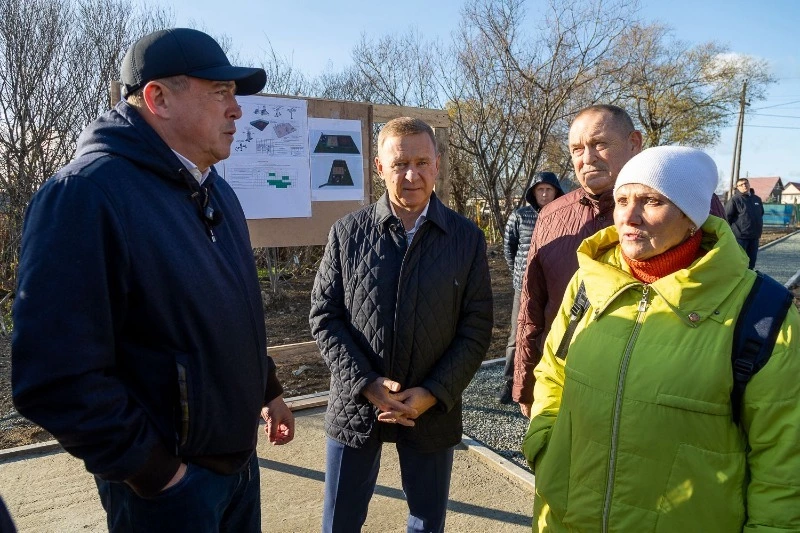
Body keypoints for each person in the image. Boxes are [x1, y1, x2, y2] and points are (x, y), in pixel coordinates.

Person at [12, 28, 294, 532]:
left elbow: (230, 313)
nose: (238, 111)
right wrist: (159, 475)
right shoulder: (85, 195)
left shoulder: (215, 193)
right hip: (167, 494)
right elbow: (54, 377)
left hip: (237, 469)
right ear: (157, 98)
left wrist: (267, 391)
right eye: (220, 93)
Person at [522, 146, 800, 531]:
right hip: (568, 519)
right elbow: (553, 371)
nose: (629, 216)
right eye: (622, 200)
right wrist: (544, 443)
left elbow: (783, 462)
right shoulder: (589, 282)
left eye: (651, 200)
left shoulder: (762, 311)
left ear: (691, 216)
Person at [310, 117, 493, 533]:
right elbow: (324, 316)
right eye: (399, 164)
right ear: (379, 168)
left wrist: (434, 392)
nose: (411, 175)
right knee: (339, 521)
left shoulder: (465, 239)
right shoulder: (348, 233)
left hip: (430, 409)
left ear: (438, 164)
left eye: (421, 162)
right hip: (355, 405)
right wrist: (366, 384)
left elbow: (477, 327)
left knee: (426, 523)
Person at [513, 104, 725, 417]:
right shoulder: (551, 216)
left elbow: (724, 293)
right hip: (568, 383)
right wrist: (526, 384)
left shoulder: (687, 202)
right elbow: (532, 307)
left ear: (634, 143)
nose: (587, 158)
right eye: (577, 149)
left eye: (600, 144)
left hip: (660, 392)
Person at [497, 172, 564, 404]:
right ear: (533, 193)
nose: (544, 194)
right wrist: (520, 274)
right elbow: (510, 249)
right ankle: (510, 381)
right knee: (517, 335)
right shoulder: (520, 216)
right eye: (540, 190)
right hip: (523, 287)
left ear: (556, 191)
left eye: (549, 189)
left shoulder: (562, 216)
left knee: (554, 333)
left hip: (554, 286)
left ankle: (547, 381)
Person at [725, 177, 764, 269]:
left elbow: (761, 213)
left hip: (754, 236)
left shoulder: (757, 199)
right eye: (741, 185)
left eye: (746, 183)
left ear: (749, 185)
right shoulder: (735, 200)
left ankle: (750, 280)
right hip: (741, 237)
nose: (744, 186)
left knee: (751, 262)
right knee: (739, 262)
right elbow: (726, 217)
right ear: (737, 188)